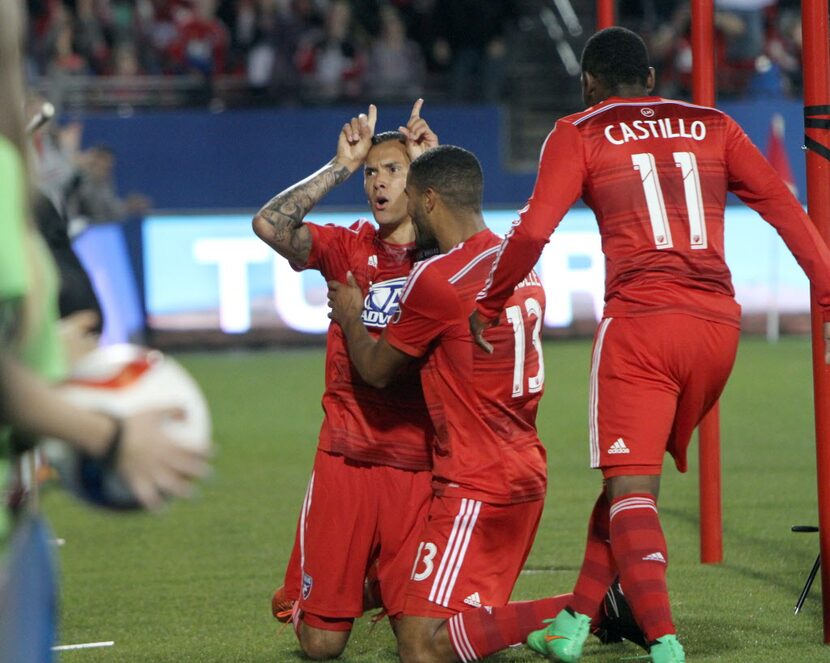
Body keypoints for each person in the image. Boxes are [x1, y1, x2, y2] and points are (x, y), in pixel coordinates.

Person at [470, 26, 830, 663]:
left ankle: (663, 638)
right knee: (623, 485)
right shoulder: (713, 123)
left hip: (642, 327)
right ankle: (574, 623)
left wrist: (491, 299)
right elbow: (781, 202)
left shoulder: (578, 131)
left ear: (588, 84)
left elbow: (530, 235)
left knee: (631, 489)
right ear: (653, 81)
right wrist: (827, 292)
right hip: (717, 331)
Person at [327, 145, 553, 662]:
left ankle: (595, 604)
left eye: (410, 195)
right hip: (526, 470)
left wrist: (350, 317)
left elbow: (378, 371)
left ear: (428, 201)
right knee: (464, 629)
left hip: (476, 480)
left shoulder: (438, 280)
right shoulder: (521, 265)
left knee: (421, 646)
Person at [252, 100, 439, 659]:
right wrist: (337, 165)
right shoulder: (347, 245)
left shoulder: (444, 256)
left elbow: (488, 254)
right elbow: (270, 224)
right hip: (346, 461)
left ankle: (374, 575)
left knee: (420, 643)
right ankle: (350, 577)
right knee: (322, 646)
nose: (376, 183)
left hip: (420, 465)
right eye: (369, 173)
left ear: (418, 181)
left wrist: (436, 168)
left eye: (392, 170)